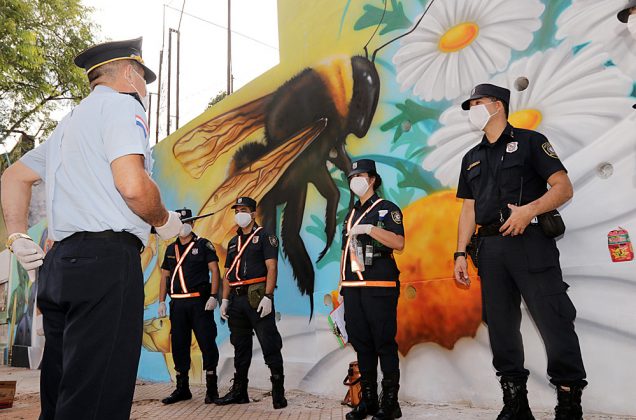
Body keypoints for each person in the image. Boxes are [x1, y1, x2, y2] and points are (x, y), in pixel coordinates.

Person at [0, 37, 183, 420]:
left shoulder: (66, 126)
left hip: (60, 265)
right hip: (106, 263)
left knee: (63, 387)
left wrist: (17, 234)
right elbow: (132, 185)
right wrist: (165, 222)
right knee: (96, 397)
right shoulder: (122, 107)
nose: (145, 89)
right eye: (144, 80)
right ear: (131, 73)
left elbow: (14, 175)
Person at [453, 83, 587, 420]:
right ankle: (515, 403)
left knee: (553, 319)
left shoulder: (530, 142)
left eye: (477, 103)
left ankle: (569, 403)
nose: (472, 110)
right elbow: (468, 210)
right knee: (501, 326)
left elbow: (563, 187)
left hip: (530, 242)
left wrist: (530, 210)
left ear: (497, 105)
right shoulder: (472, 158)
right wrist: (458, 254)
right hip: (491, 248)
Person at [339, 159, 405, 420]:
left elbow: (399, 242)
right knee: (362, 345)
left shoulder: (386, 209)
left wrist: (370, 229)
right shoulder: (350, 214)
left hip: (379, 287)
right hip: (353, 288)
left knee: (384, 344)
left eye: (361, 174)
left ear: (373, 179)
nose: (356, 179)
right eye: (352, 175)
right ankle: (368, 400)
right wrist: (342, 287)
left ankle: (390, 403)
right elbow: (345, 253)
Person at [214, 197, 287, 409]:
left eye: (244, 210)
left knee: (269, 343)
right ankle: (239, 391)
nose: (240, 214)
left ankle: (278, 392)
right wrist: (224, 299)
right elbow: (228, 274)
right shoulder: (232, 242)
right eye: (237, 210)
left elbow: (272, 268)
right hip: (236, 299)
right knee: (240, 346)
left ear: (253, 213)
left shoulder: (265, 236)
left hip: (257, 298)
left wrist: (269, 296)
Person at [158, 208, 221, 405]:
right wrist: (161, 301)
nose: (183, 226)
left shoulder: (203, 245)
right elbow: (164, 277)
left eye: (186, 222)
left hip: (199, 302)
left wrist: (213, 296)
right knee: (178, 344)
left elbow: (215, 271)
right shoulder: (170, 249)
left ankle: (212, 389)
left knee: (206, 342)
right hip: (177, 303)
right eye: (180, 222)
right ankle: (182, 388)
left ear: (192, 224)